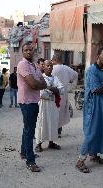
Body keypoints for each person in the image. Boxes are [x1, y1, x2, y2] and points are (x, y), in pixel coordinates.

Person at [76, 47, 103, 173]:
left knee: (101, 131)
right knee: (92, 133)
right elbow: (96, 89)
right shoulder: (92, 70)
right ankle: (80, 160)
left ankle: (93, 155)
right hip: (94, 107)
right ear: (98, 56)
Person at [17, 42, 47, 172]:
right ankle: (30, 161)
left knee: (28, 129)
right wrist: (38, 84)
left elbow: (44, 83)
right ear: (22, 52)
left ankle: (24, 153)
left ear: (33, 51)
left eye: (30, 50)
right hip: (27, 102)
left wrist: (38, 84)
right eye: (26, 50)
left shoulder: (34, 65)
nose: (29, 52)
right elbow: (33, 84)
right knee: (30, 132)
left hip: (34, 101)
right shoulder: (22, 64)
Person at [35, 60, 64, 152]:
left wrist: (50, 88)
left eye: (51, 66)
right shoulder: (40, 78)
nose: (49, 67)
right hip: (43, 105)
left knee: (53, 122)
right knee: (42, 123)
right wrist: (54, 90)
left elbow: (62, 89)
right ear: (43, 67)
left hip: (53, 105)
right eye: (47, 66)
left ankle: (51, 142)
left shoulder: (55, 78)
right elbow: (41, 92)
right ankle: (38, 144)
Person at [52, 53, 78, 138]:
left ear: (54, 60)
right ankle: (59, 132)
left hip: (53, 95)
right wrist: (71, 85)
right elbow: (76, 75)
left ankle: (52, 132)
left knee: (53, 113)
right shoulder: (66, 68)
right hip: (63, 94)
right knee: (61, 113)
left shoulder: (51, 68)